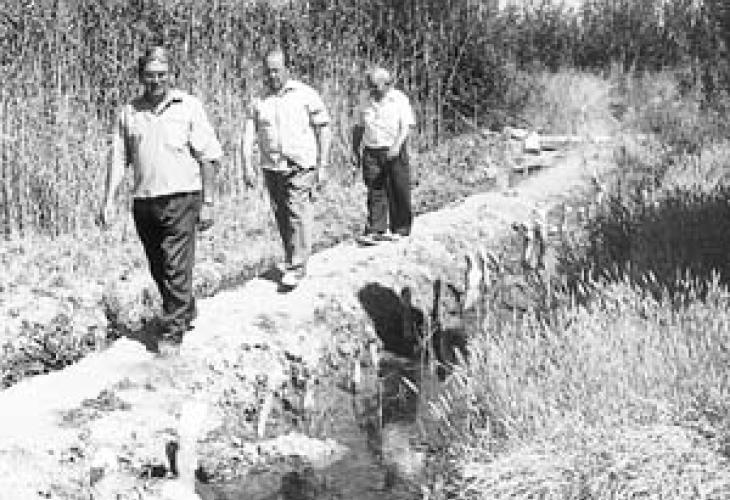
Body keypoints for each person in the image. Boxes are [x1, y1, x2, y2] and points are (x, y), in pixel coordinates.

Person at [98, 46, 223, 345]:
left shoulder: (188, 106)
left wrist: (208, 202)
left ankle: (172, 334)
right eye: (150, 75)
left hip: (182, 199)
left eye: (161, 74)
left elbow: (209, 157)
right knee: (158, 267)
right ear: (141, 77)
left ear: (170, 74)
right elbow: (119, 159)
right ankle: (185, 309)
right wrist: (108, 200)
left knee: (176, 266)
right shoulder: (130, 112)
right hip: (145, 202)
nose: (156, 81)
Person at [242, 48, 331, 290]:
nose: (272, 76)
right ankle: (292, 257)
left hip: (300, 165)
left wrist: (323, 165)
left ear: (287, 70)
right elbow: (249, 133)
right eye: (268, 71)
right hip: (272, 167)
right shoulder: (259, 100)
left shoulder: (305, 94)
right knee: (282, 213)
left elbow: (323, 127)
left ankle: (297, 266)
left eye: (276, 71)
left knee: (297, 211)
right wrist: (246, 164)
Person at [352, 67, 415, 245]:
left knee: (398, 188)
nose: (372, 89)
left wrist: (397, 146)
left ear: (387, 84)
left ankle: (401, 228)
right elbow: (359, 126)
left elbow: (406, 126)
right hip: (371, 150)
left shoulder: (399, 99)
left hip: (393, 149)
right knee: (374, 189)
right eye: (370, 85)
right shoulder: (364, 99)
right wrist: (355, 149)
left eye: (376, 86)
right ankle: (376, 229)